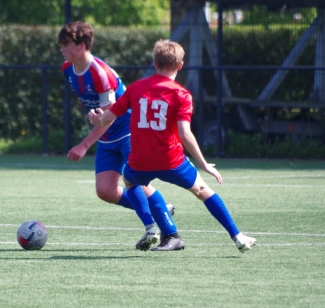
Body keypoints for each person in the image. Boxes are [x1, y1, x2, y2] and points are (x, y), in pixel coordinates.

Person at [89, 39, 257, 253]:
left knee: (130, 181)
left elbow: (108, 118)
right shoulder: (181, 94)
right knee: (202, 190)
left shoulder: (136, 88)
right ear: (180, 65)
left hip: (141, 160)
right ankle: (238, 237)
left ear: (155, 63)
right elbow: (185, 134)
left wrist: (98, 119)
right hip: (171, 160)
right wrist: (204, 164)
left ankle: (150, 227)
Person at [58, 21, 176, 250]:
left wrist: (84, 145)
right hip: (107, 133)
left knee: (136, 181)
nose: (61, 48)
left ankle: (167, 232)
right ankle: (159, 208)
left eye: (65, 44)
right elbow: (100, 113)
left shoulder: (100, 74)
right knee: (106, 191)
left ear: (81, 46)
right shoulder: (67, 69)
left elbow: (110, 116)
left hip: (129, 129)